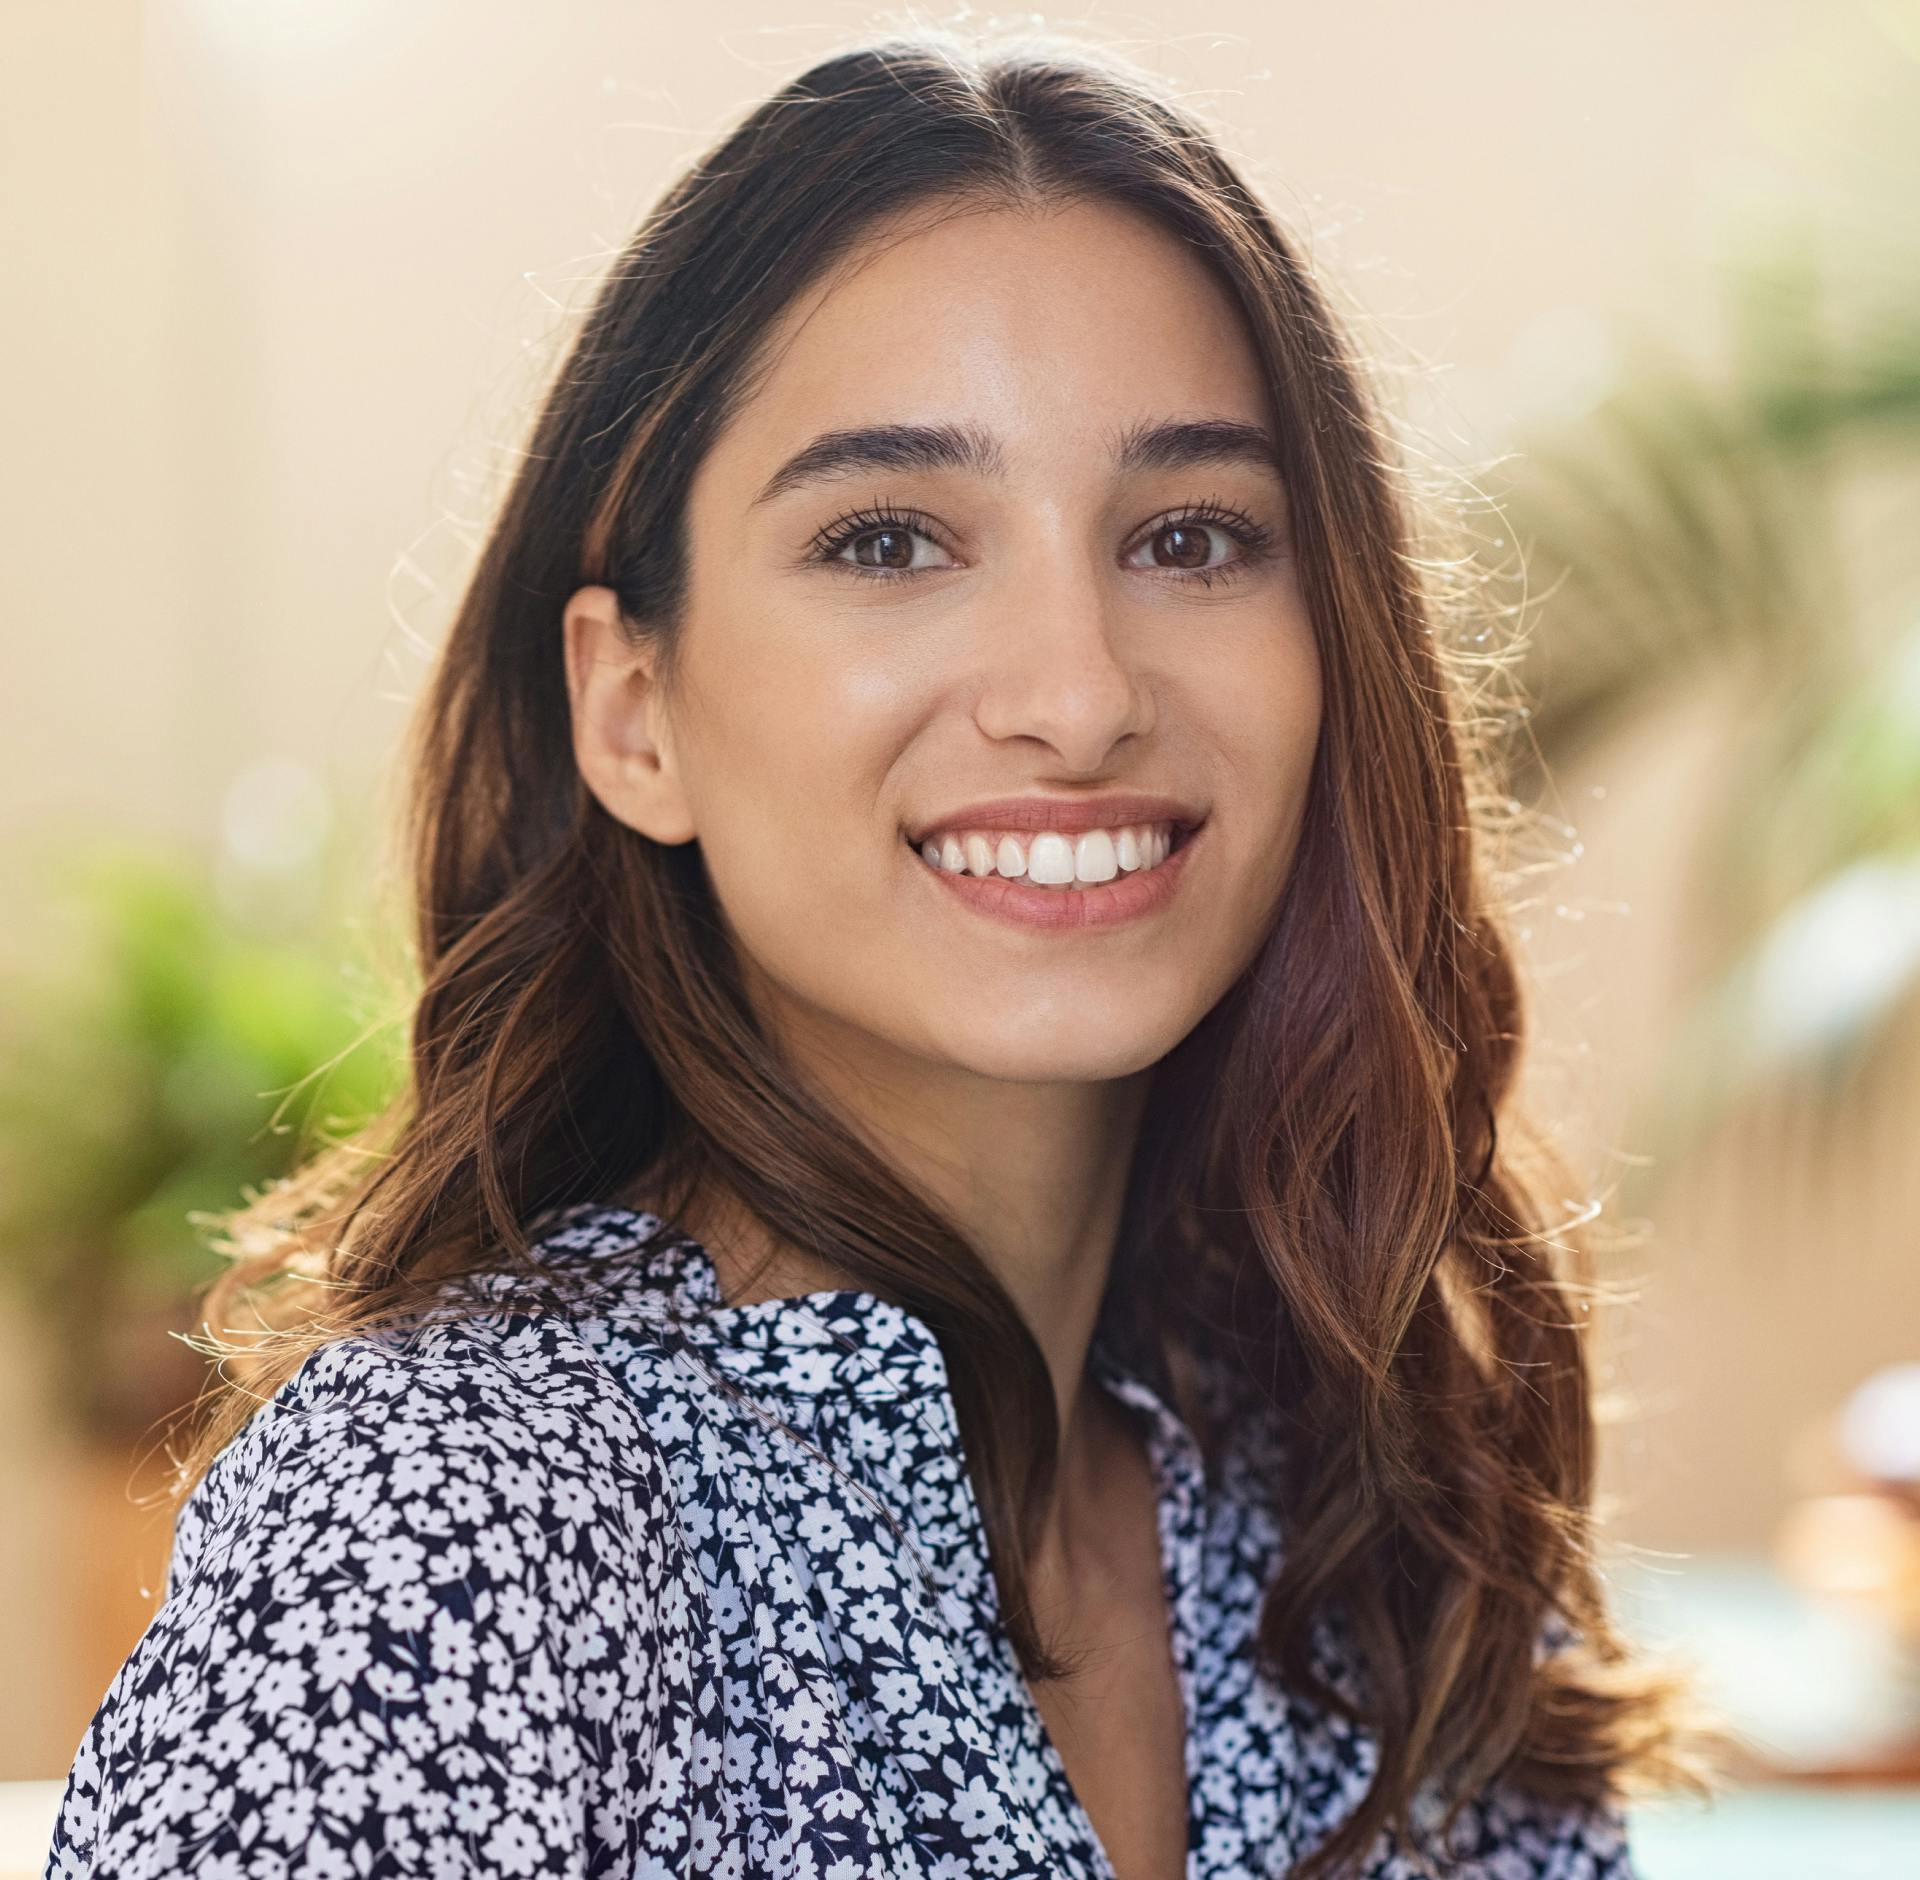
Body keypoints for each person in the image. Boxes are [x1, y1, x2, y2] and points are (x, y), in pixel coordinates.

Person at [44, 31, 1693, 1880]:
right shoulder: (455, 1520)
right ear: (635, 709)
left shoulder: (1378, 1523)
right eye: (891, 538)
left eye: (1193, 536)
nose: (1078, 696)